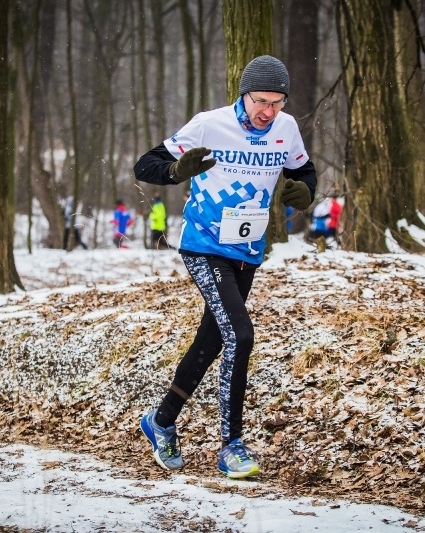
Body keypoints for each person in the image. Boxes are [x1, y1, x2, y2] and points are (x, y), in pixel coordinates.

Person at [133, 55, 316, 479]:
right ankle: (231, 445)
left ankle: (160, 422)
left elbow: (304, 171)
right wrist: (178, 169)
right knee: (241, 334)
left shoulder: (286, 130)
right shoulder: (208, 125)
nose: (267, 111)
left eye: (276, 103)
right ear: (243, 93)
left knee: (211, 341)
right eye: (260, 101)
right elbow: (146, 165)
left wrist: (304, 191)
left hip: (248, 249)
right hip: (205, 246)